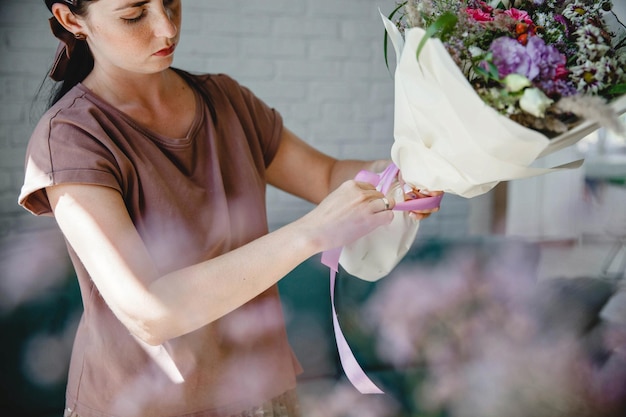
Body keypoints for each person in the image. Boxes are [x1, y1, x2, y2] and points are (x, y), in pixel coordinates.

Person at [18, 1, 441, 416]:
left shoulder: (225, 99)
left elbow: (326, 174)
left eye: (170, 2)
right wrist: (312, 233)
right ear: (71, 19)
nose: (167, 29)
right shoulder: (70, 139)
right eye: (134, 15)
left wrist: (411, 173)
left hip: (260, 388)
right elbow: (150, 311)